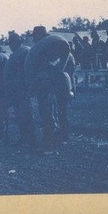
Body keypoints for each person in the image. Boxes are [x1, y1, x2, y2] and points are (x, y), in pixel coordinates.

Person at [24, 26, 73, 155]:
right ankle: (61, 138)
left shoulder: (39, 48)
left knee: (47, 113)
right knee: (61, 111)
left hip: (46, 82)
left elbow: (32, 69)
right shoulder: (55, 41)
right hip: (60, 79)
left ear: (37, 36)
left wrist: (32, 86)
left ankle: (49, 145)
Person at [3, 32, 35, 147]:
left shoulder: (24, 51)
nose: (11, 45)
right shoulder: (16, 53)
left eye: (13, 43)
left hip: (21, 86)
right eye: (10, 43)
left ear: (18, 43)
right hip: (16, 88)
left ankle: (30, 138)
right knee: (19, 113)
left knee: (25, 112)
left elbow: (27, 68)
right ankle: (25, 137)